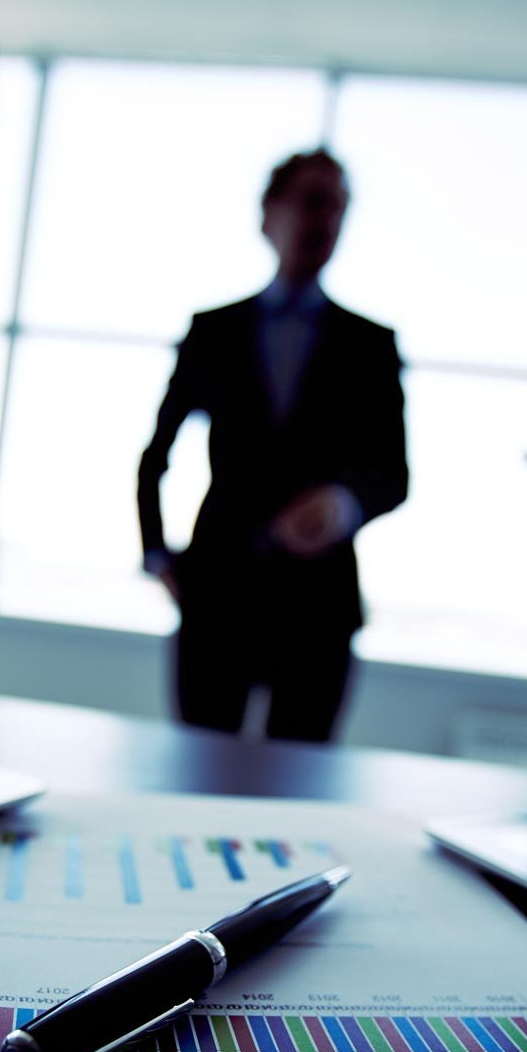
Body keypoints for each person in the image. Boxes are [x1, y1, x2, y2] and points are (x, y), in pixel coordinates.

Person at [138, 150, 408, 743]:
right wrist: (157, 554)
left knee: (301, 787)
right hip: (217, 593)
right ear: (269, 215)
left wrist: (342, 504)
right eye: (313, 202)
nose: (326, 221)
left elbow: (394, 474)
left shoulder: (371, 346)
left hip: (318, 605)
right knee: (198, 771)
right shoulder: (212, 330)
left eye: (338, 207)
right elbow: (154, 456)